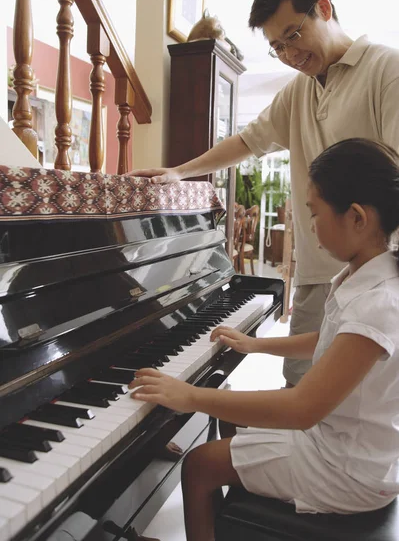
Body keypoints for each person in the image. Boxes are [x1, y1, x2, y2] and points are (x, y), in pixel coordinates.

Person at [130, 0, 399, 387]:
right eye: (277, 47)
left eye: (293, 35)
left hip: (375, 272)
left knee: (355, 401)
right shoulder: (298, 90)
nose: (290, 55)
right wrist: (180, 172)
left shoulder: (387, 70)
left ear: (324, 8)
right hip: (314, 269)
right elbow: (249, 141)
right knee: (298, 384)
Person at [129, 138, 399, 541]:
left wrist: (188, 395)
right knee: (229, 416)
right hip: (355, 448)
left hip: (348, 469)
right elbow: (329, 341)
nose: (311, 226)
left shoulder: (377, 300)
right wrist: (255, 344)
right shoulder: (372, 274)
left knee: (199, 465)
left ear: (357, 218)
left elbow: (302, 408)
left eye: (314, 213)